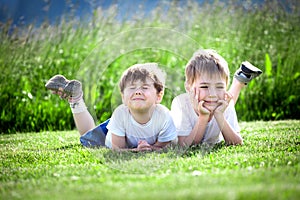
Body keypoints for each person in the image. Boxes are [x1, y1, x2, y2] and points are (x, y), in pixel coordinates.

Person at [45, 63, 177, 151]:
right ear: (123, 97)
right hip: (117, 130)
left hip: (127, 124)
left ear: (159, 95)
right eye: (132, 88)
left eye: (144, 87)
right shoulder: (120, 115)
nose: (137, 91)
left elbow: (165, 147)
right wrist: (136, 151)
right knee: (88, 138)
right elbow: (117, 150)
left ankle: (75, 97)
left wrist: (150, 148)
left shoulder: (164, 116)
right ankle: (75, 98)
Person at [170, 49, 262, 147]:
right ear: (189, 87)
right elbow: (184, 145)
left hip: (221, 105)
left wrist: (219, 115)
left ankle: (240, 80)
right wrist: (203, 117)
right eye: (204, 86)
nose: (212, 94)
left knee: (226, 102)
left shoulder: (225, 104)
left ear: (226, 87)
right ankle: (240, 80)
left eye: (220, 87)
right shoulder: (181, 104)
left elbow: (236, 143)